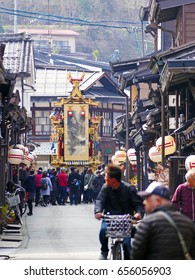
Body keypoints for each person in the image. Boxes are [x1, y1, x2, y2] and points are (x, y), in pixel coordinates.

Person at [131, 181, 195, 260]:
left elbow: (136, 254)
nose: (144, 202)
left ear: (157, 201)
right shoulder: (187, 223)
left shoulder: (148, 222)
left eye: (147, 198)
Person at [94, 164, 144, 260]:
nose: (105, 179)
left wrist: (139, 213)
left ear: (113, 179)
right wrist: (98, 212)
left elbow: (138, 204)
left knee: (127, 245)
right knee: (103, 231)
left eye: (106, 177)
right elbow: (100, 200)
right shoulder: (105, 188)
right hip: (109, 218)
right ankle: (104, 251)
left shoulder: (129, 189)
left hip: (125, 220)